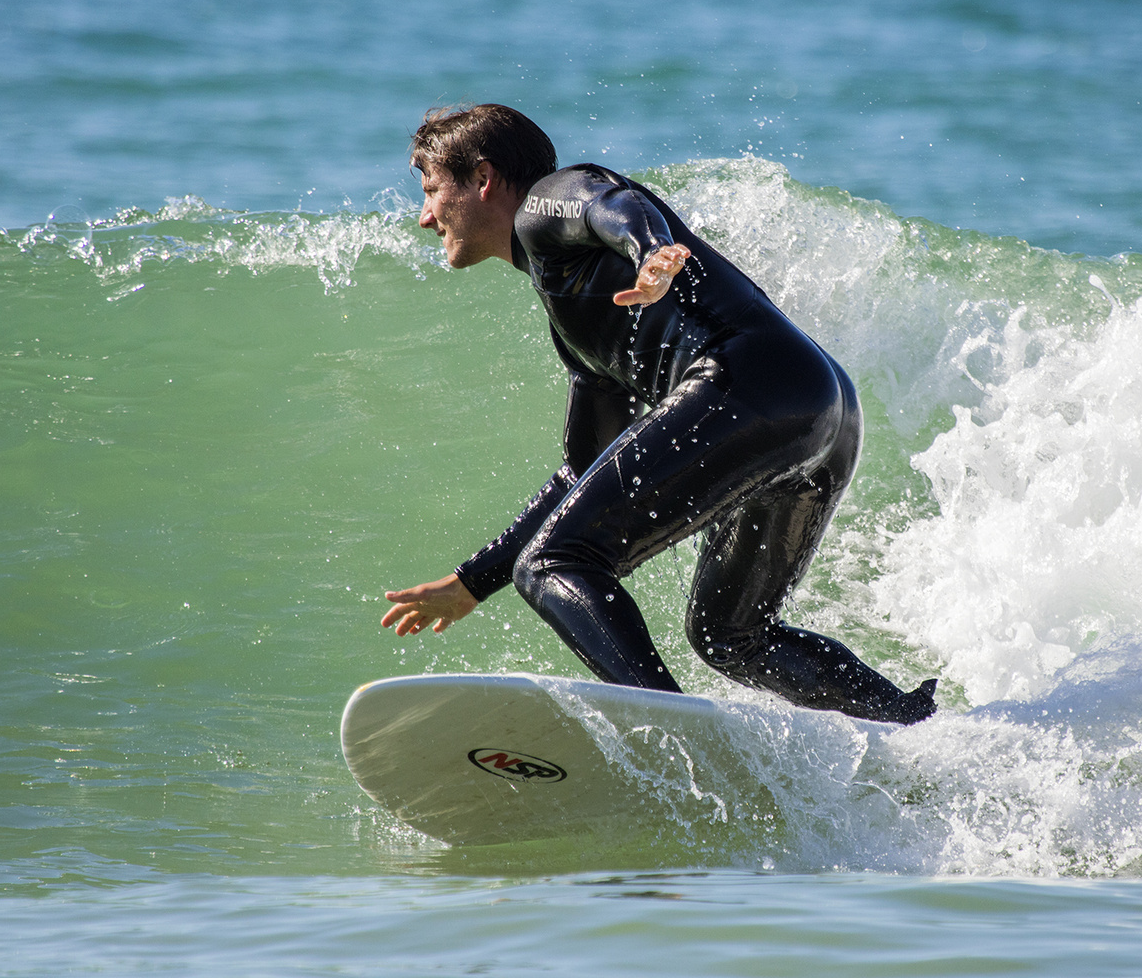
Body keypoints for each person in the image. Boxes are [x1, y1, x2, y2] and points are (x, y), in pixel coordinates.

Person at [380, 104, 937, 724]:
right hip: (816, 406)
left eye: (431, 190)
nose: (426, 215)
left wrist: (651, 254)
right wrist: (470, 584)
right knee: (730, 636)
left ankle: (676, 729)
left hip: (746, 379)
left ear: (482, 179)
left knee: (553, 564)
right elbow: (581, 472)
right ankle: (914, 733)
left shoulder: (546, 202)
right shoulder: (574, 315)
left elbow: (609, 204)